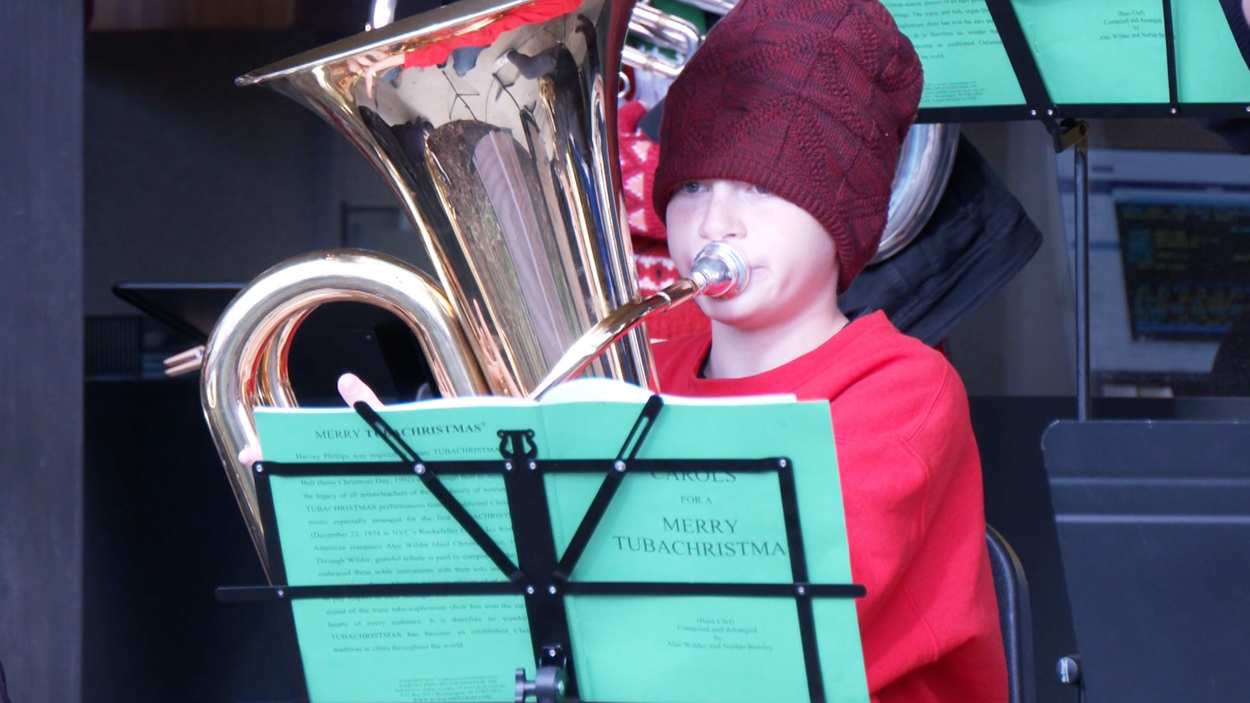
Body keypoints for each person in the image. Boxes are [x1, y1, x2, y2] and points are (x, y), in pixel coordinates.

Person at [648, 1, 1008, 701]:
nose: (715, 222)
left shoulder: (903, 388)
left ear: (841, 218)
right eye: (691, 187)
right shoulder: (646, 363)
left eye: (757, 187)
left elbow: (776, 630)